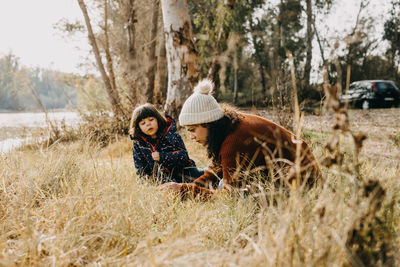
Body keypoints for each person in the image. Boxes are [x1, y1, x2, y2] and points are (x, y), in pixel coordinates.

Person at [160, 79, 322, 198]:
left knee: (236, 192)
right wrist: (189, 186)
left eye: (192, 130)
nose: (191, 137)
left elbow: (228, 196)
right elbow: (217, 170)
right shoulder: (228, 125)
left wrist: (185, 191)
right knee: (226, 181)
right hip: (285, 174)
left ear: (208, 124)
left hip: (303, 181)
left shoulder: (234, 140)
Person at [130, 103, 204, 183]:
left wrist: (162, 157)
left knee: (204, 177)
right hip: (161, 180)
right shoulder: (139, 144)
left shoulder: (171, 136)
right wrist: (147, 179)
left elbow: (183, 157)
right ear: (138, 128)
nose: (148, 124)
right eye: (143, 123)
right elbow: (140, 167)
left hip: (184, 173)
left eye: (151, 120)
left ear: (158, 119)